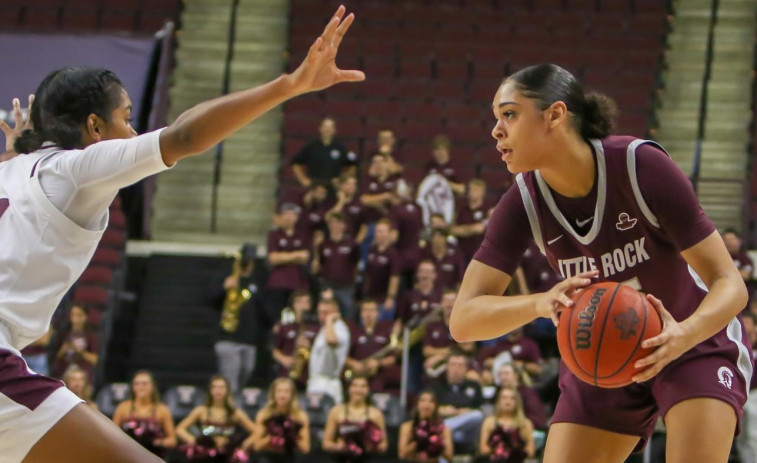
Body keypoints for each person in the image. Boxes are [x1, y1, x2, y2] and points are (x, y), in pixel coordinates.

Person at [0, 5, 363, 461]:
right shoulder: (74, 168)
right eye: (126, 117)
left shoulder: (13, 171)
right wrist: (290, 85)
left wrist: (11, 156)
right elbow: (186, 136)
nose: (132, 130)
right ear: (94, 126)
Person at [450, 63, 750, 463]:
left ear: (555, 115)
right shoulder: (521, 203)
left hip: (692, 339)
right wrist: (541, 303)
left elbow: (730, 284)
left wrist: (685, 334)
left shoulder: (639, 167)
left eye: (509, 114)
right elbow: (463, 320)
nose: (496, 130)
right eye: (496, 118)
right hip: (600, 352)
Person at [214, 246, 266, 395]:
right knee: (230, 379)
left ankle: (235, 403)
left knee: (246, 371)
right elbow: (209, 299)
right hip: (228, 337)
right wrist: (223, 288)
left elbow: (262, 308)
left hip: (248, 339)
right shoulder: (226, 277)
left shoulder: (256, 282)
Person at [176, 375, 256, 463]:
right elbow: (180, 428)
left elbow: (257, 431)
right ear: (211, 390)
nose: (218, 390)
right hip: (205, 453)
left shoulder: (235, 413)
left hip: (228, 454)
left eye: (221, 387)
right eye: (215, 387)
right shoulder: (201, 411)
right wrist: (192, 439)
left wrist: (247, 442)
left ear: (227, 390)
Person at [322, 375, 388, 462]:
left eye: (363, 386)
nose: (358, 390)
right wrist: (339, 447)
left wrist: (372, 446)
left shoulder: (376, 414)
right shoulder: (336, 411)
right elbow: (326, 443)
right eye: (355, 385)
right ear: (349, 388)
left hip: (367, 459)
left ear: (368, 390)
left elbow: (384, 444)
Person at [265, 202, 311, 327]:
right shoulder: (274, 235)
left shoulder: (302, 235)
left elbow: (305, 257)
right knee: (276, 317)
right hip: (278, 284)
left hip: (297, 283)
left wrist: (284, 256)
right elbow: (273, 258)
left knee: (297, 316)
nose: (289, 217)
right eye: (286, 214)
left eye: (292, 214)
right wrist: (295, 255)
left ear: (296, 217)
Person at [112, 370, 177, 457]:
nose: (141, 387)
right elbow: (112, 433)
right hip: (127, 454)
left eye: (144, 384)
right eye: (137, 384)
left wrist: (156, 442)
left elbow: (172, 440)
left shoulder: (162, 410)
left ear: (152, 386)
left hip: (153, 455)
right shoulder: (123, 407)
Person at [429, 352, 485, 449]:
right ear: (447, 367)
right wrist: (439, 411)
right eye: (453, 365)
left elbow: (480, 409)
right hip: (444, 423)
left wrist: (455, 412)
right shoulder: (436, 386)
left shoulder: (474, 386)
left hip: (468, 432)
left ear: (466, 368)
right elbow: (427, 408)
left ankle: (444, 430)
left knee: (477, 416)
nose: (456, 369)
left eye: (460, 365)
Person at [345, 299, 401, 393]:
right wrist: (354, 364)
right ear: (361, 314)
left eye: (371, 310)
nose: (368, 314)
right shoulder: (354, 332)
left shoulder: (385, 332)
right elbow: (344, 355)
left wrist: (378, 363)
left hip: (380, 379)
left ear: (377, 313)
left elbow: (393, 358)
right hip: (358, 377)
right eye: (365, 310)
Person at [423, 290, 480, 382]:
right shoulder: (433, 325)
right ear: (441, 303)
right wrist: (448, 352)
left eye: (452, 300)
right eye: (446, 300)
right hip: (442, 363)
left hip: (464, 360)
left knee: (472, 376)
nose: (449, 304)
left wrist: (441, 356)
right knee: (430, 366)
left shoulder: (465, 323)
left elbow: (468, 347)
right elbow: (426, 350)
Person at [312, 212, 360, 321]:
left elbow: (356, 263)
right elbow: (319, 265)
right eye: (332, 223)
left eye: (338, 223)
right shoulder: (324, 245)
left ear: (344, 225)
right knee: (325, 312)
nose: (335, 226)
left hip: (346, 286)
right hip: (328, 285)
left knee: (348, 312)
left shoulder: (352, 244)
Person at [253, 377, 310, 462]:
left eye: (286, 392)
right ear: (273, 394)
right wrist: (271, 439)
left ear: (292, 395)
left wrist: (292, 437)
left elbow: (306, 448)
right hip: (269, 458)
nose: (282, 395)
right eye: (279, 391)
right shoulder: (264, 415)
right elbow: (256, 446)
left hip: (292, 458)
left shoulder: (300, 416)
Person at [290, 117, 357, 189]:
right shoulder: (311, 146)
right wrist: (303, 180)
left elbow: (353, 166)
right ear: (320, 129)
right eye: (325, 126)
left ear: (334, 130)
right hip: (314, 186)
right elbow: (295, 163)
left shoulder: (341, 147)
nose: (328, 129)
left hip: (333, 187)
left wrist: (342, 179)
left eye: (331, 127)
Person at [307, 298, 351, 404]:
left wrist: (329, 320)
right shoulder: (325, 328)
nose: (321, 316)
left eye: (326, 312)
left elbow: (332, 340)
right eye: (320, 312)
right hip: (316, 382)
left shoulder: (339, 327)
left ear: (335, 313)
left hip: (328, 384)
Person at [478, 387, 535, 463]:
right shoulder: (489, 422)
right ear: (498, 401)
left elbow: (530, 450)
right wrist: (499, 451)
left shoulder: (525, 423)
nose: (508, 401)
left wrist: (513, 453)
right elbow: (483, 448)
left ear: (517, 402)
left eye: (512, 398)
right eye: (504, 398)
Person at [398, 390, 453, 462]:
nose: (427, 405)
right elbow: (402, 454)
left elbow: (449, 457)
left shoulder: (444, 429)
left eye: (431, 401)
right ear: (417, 404)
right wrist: (419, 440)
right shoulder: (407, 427)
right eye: (423, 401)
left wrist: (437, 443)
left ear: (435, 406)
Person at [363, 219, 401, 319]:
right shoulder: (372, 250)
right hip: (370, 297)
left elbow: (395, 276)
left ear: (389, 233)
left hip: (383, 299)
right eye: (377, 231)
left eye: (382, 231)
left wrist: (390, 297)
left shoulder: (393, 253)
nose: (379, 234)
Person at [495, 363, 547, 431]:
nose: (503, 377)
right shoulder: (498, 392)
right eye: (500, 374)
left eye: (506, 373)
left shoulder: (527, 392)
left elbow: (537, 418)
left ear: (516, 376)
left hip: (528, 429)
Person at [52, 304, 99, 380]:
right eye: (72, 315)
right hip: (64, 368)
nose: (75, 319)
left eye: (79, 315)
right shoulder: (63, 333)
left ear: (85, 317)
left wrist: (80, 351)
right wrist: (63, 350)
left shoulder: (91, 336)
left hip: (82, 369)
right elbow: (55, 357)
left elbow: (94, 360)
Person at [450, 179, 490, 263]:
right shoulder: (462, 210)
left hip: (481, 255)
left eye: (475, 189)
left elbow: (480, 229)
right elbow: (453, 230)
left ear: (482, 192)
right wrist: (471, 229)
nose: (472, 192)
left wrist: (464, 230)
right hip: (462, 254)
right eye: (470, 189)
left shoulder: (487, 210)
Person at [738, 311, 757, 463]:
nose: (747, 336)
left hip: (752, 399)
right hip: (735, 397)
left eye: (750, 332)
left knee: (752, 409)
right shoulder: (730, 353)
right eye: (743, 332)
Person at [327, 173, 368, 244]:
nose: (351, 187)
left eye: (353, 184)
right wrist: (341, 202)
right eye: (348, 184)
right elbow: (328, 218)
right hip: (332, 241)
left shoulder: (360, 204)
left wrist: (357, 242)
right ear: (341, 185)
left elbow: (364, 226)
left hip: (351, 242)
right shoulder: (333, 200)